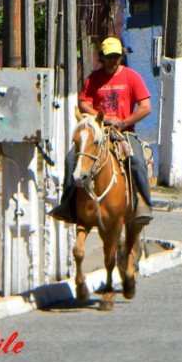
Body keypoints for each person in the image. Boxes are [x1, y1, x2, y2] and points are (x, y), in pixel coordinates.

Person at [50, 36, 153, 227]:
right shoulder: (94, 79)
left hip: (124, 133)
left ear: (121, 57)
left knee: (137, 160)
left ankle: (143, 205)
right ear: (102, 58)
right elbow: (84, 104)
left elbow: (146, 107)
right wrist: (103, 118)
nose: (112, 60)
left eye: (115, 56)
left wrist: (124, 122)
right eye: (108, 57)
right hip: (97, 131)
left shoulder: (132, 77)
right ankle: (67, 205)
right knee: (71, 159)